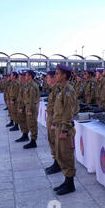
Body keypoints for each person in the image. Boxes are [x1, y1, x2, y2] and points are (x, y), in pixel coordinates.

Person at [52, 65, 79, 196]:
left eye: (57, 73)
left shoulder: (68, 90)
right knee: (60, 154)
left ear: (64, 76)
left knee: (66, 155)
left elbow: (69, 111)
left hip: (65, 129)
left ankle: (70, 184)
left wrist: (65, 130)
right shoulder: (61, 89)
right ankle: (66, 180)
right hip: (59, 126)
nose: (55, 76)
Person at [44, 71, 62, 175]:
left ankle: (58, 163)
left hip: (54, 120)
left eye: (48, 78)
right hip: (51, 118)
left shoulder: (58, 90)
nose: (47, 80)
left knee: (55, 141)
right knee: (51, 141)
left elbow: (59, 109)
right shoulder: (53, 90)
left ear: (54, 78)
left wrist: (55, 123)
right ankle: (56, 161)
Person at [23, 70, 40, 149]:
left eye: (26, 75)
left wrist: (29, 109)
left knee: (32, 124)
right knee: (30, 123)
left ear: (30, 76)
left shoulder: (32, 86)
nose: (25, 77)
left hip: (31, 108)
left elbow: (32, 99)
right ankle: (32, 140)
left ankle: (33, 141)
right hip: (28, 107)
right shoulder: (28, 85)